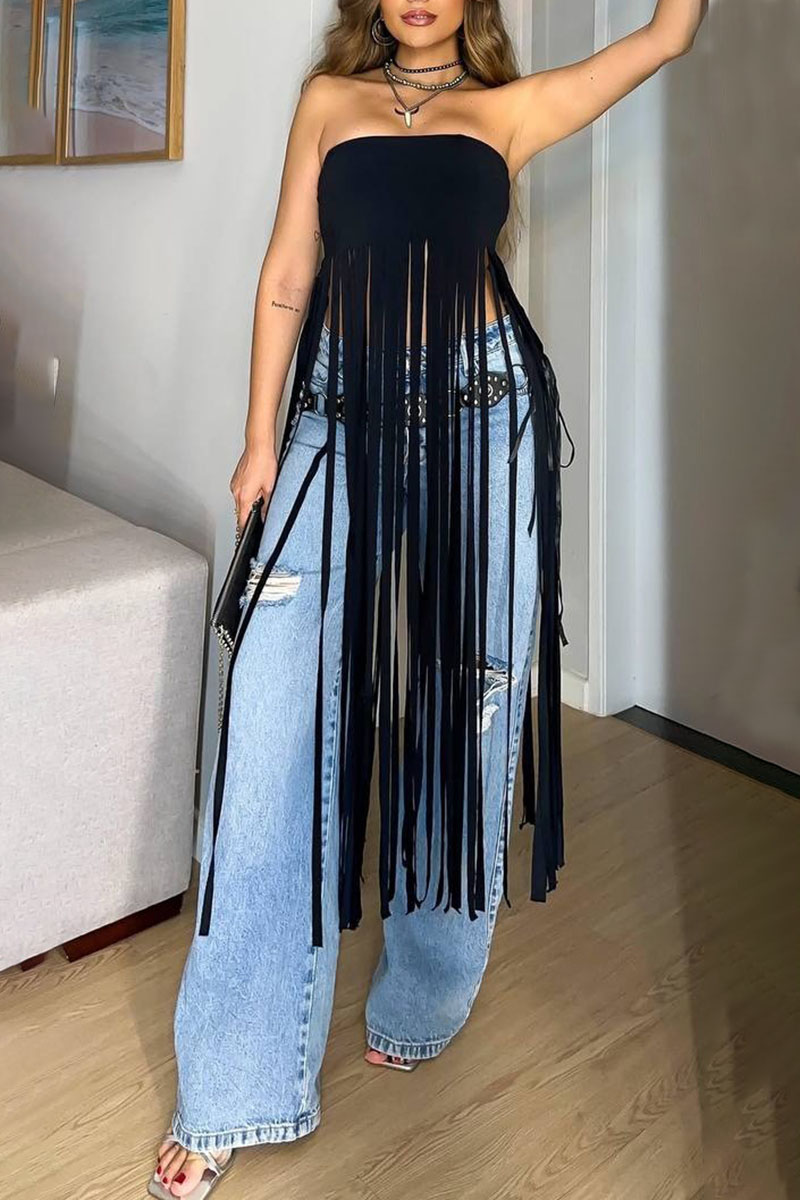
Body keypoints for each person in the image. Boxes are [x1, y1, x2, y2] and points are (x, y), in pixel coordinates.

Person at [149, 1, 705, 1195]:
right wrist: (259, 440)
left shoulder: (507, 112)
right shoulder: (327, 102)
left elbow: (662, 37)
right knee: (269, 723)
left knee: (466, 705)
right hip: (330, 419)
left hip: (477, 418)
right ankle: (234, 1081)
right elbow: (286, 276)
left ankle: (424, 991)